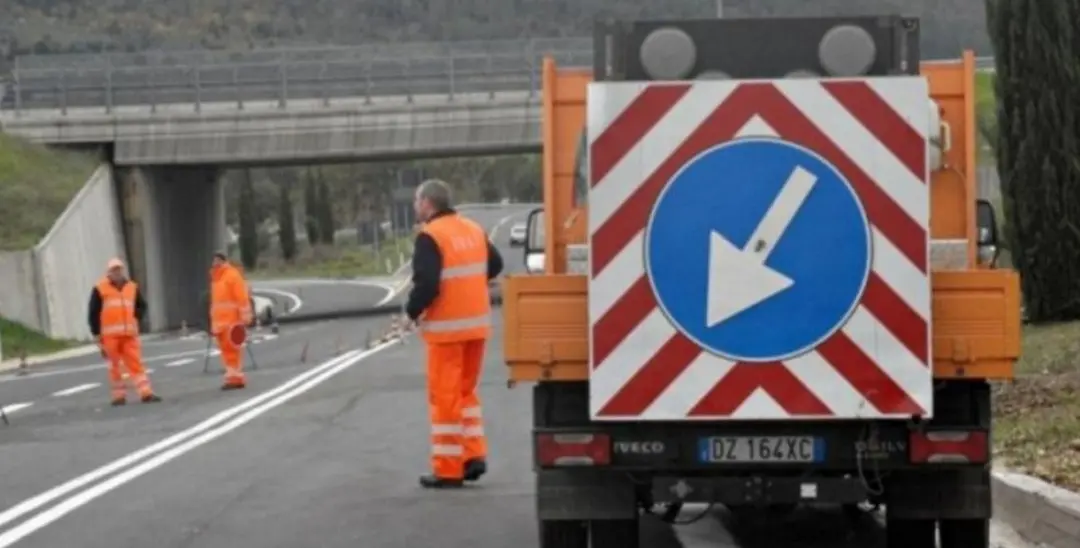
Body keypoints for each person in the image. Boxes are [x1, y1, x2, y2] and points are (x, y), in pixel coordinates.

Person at [406, 178, 504, 489]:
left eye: (416, 201)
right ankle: (473, 456)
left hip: (447, 331)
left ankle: (448, 468)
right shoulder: (472, 229)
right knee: (466, 394)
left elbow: (427, 283)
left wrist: (411, 311)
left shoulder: (430, 236)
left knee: (445, 398)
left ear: (427, 203)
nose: (415, 207)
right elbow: (495, 263)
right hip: (476, 326)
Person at [87, 258, 161, 406]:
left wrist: (135, 317)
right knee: (115, 366)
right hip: (110, 336)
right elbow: (93, 313)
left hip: (129, 334)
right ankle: (118, 396)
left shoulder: (131, 287)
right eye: (114, 270)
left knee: (136, 364)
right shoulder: (100, 289)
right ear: (109, 273)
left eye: (119, 269)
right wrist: (96, 333)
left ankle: (146, 393)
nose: (117, 273)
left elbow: (142, 305)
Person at [209, 251, 253, 390]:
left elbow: (242, 297)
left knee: (232, 350)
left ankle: (235, 378)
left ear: (223, 261)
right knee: (226, 352)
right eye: (213, 260)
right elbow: (216, 302)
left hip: (232, 321)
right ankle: (233, 377)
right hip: (220, 323)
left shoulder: (232, 275)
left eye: (217, 260)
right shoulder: (216, 278)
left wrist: (245, 316)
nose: (214, 263)